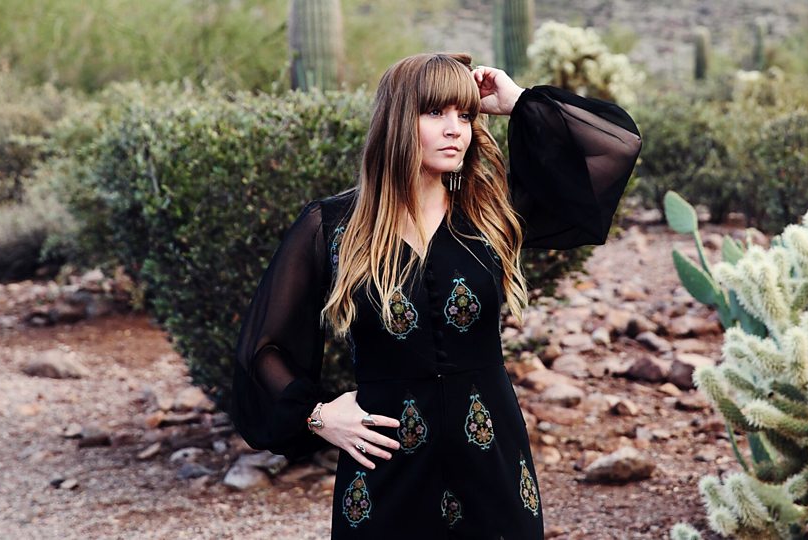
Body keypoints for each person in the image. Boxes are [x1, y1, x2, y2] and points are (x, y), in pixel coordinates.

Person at [231, 52, 641, 539]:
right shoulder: (335, 227)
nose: (455, 130)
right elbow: (262, 348)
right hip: (386, 467)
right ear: (397, 121)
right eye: (435, 113)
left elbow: (615, 148)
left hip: (492, 462)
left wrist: (517, 102)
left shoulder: (490, 214)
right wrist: (317, 414)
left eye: (464, 115)